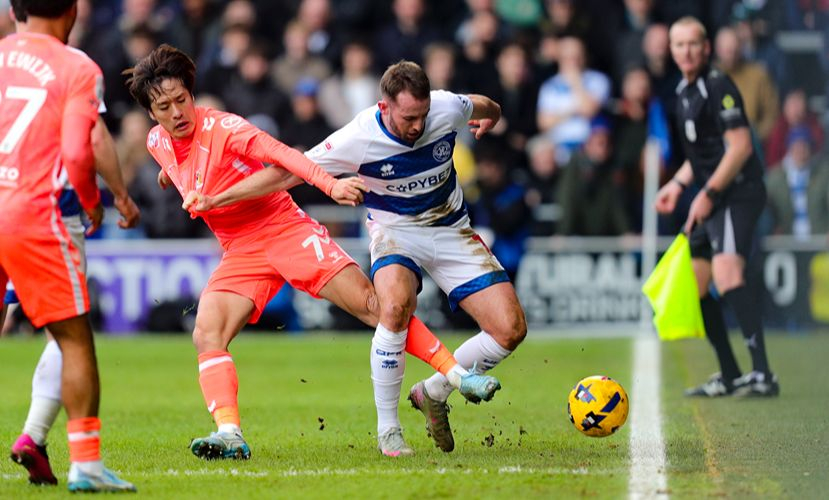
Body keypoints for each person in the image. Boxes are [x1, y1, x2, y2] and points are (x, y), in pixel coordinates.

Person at [124, 45, 501, 459]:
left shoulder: (226, 128)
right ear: (152, 113)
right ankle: (230, 433)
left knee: (374, 306)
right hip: (241, 250)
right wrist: (170, 176)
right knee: (206, 333)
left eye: (182, 100)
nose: (177, 112)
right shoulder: (157, 141)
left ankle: (455, 375)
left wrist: (331, 184)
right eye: (165, 107)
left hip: (284, 230)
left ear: (192, 94)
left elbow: (285, 156)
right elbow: (178, 162)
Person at [0, 0, 135, 492]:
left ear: (15, 10)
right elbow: (83, 146)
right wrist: (96, 198)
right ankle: (86, 464)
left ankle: (36, 437)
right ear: (72, 11)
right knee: (73, 337)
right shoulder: (75, 66)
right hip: (36, 214)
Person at [655, 16, 779, 398]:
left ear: (706, 48)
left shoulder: (718, 85)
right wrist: (677, 184)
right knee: (698, 281)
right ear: (671, 50)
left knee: (727, 275)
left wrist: (706, 194)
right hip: (714, 194)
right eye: (679, 44)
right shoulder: (684, 91)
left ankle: (763, 374)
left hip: (738, 192)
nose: (686, 51)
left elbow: (739, 147)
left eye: (693, 43)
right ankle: (729, 374)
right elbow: (703, 154)